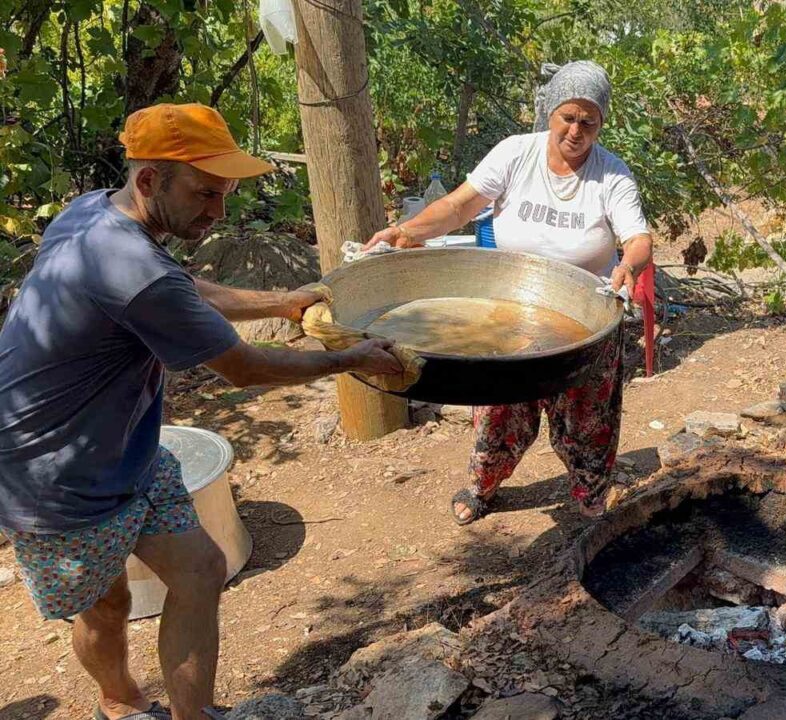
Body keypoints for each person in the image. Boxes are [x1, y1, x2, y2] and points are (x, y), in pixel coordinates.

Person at [0, 103, 403, 720]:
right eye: (205, 193)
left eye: (225, 195)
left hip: (126, 444)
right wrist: (352, 360)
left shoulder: (93, 210)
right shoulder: (128, 264)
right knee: (104, 606)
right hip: (52, 474)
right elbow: (242, 368)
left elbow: (180, 290)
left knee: (201, 567)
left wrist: (285, 302)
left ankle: (194, 716)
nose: (217, 212)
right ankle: (120, 702)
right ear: (148, 181)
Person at [362, 61, 653, 524]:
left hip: (585, 318)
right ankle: (483, 486)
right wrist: (407, 231)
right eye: (568, 117)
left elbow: (637, 237)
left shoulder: (612, 176)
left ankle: (591, 494)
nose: (576, 131)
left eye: (588, 122)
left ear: (600, 125)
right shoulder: (516, 154)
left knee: (588, 420)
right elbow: (460, 205)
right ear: (550, 113)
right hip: (511, 312)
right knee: (499, 412)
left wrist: (628, 264)